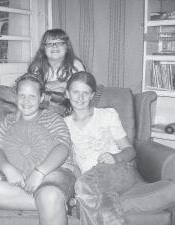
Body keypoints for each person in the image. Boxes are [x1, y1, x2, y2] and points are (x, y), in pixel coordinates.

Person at [64, 71, 175, 225]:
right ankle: (90, 204)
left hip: (118, 171)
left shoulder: (107, 115)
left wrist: (115, 158)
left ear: (92, 95)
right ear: (67, 94)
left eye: (85, 93)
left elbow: (130, 151)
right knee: (105, 207)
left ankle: (79, 205)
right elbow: (73, 162)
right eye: (76, 92)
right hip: (93, 182)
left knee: (84, 186)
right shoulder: (64, 125)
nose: (80, 97)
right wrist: (77, 186)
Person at [0, 73, 75, 225]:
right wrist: (8, 169)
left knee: (49, 194)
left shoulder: (53, 119)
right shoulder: (8, 121)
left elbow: (63, 148)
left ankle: (51, 200)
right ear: (16, 97)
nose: (26, 101)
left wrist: (39, 172)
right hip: (19, 180)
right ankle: (55, 205)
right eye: (22, 95)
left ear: (41, 98)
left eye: (32, 96)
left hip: (53, 174)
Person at [28, 29, 85, 93]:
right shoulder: (37, 65)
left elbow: (84, 85)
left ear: (67, 47)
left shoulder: (75, 65)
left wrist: (62, 84)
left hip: (69, 101)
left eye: (60, 43)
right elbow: (31, 86)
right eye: (49, 44)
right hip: (43, 100)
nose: (54, 46)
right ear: (43, 48)